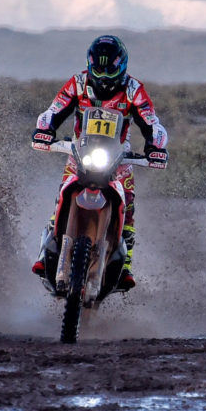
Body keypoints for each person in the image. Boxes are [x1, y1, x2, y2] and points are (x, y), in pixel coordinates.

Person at [31, 35, 168, 290]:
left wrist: (155, 147)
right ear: (90, 64)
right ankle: (46, 251)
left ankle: (125, 265)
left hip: (118, 157)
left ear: (122, 66)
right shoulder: (78, 83)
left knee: (128, 204)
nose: (104, 76)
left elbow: (151, 122)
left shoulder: (133, 90)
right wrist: (45, 130)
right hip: (80, 151)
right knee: (62, 194)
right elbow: (53, 110)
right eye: (98, 68)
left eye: (110, 69)